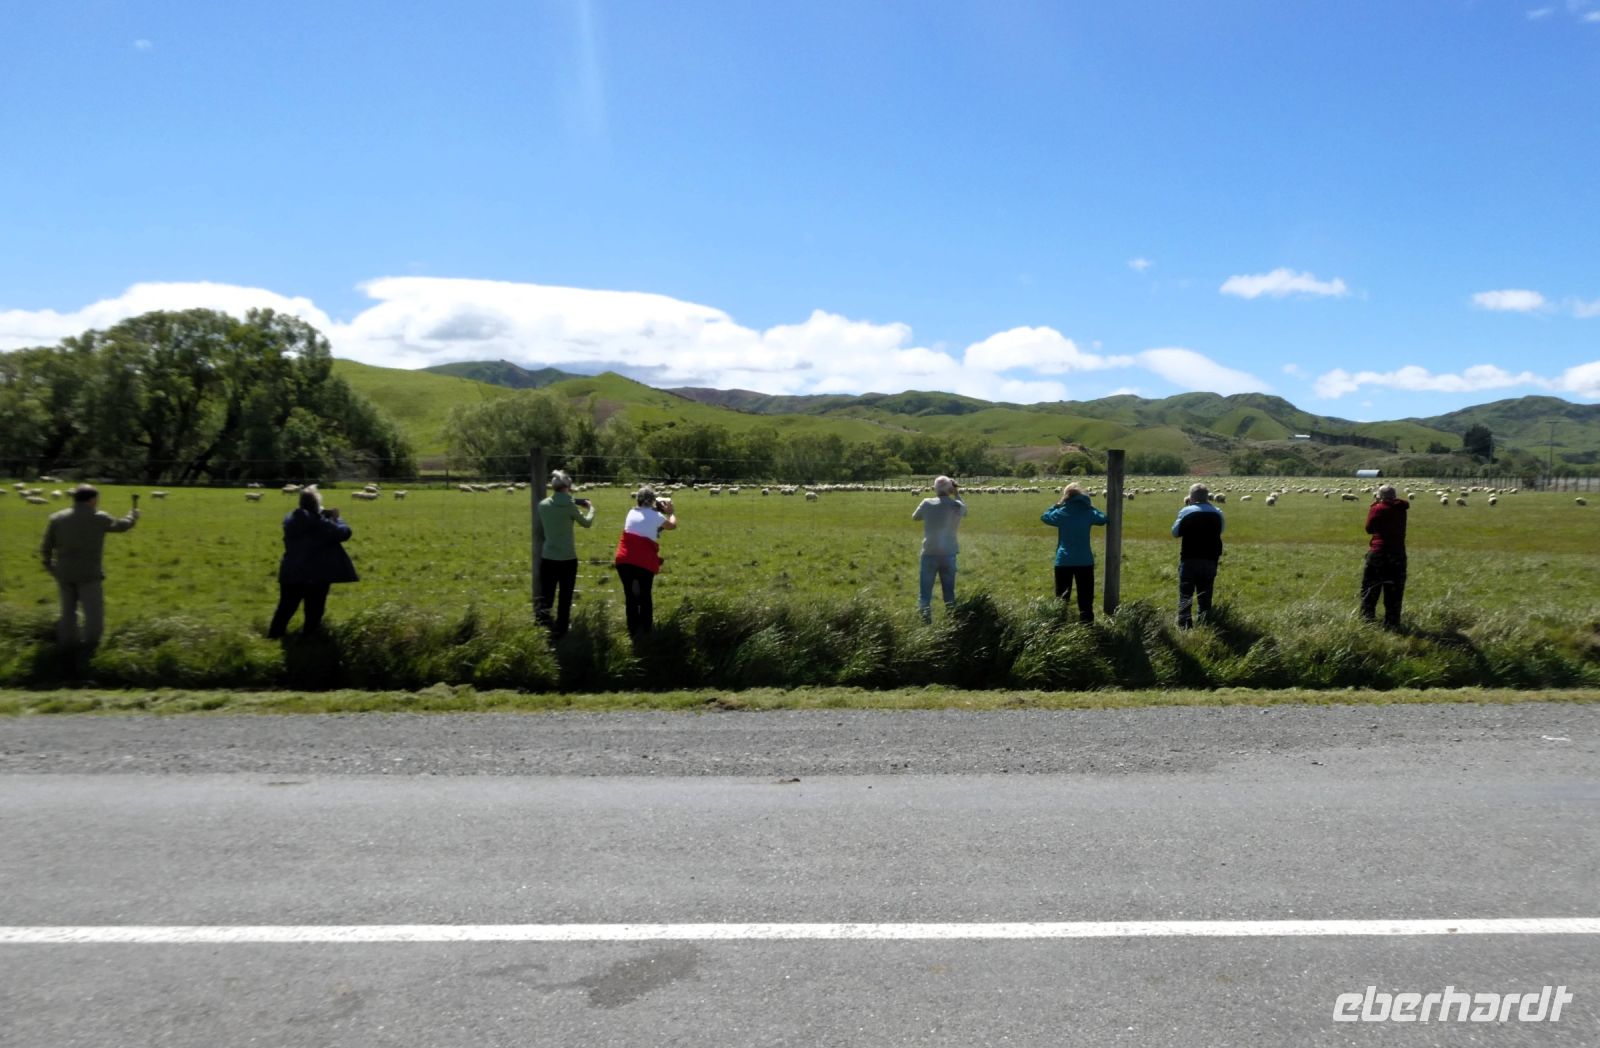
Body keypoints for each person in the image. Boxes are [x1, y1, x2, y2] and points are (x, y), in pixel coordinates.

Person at [41, 484, 139, 666]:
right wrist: (133, 516)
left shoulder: (57, 518)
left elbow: (46, 546)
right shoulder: (98, 518)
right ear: (92, 500)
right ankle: (89, 651)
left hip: (64, 573)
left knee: (67, 613)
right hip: (89, 574)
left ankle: (66, 650)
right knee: (94, 614)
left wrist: (50, 566)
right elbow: (121, 526)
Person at [267, 486, 358, 638]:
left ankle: (274, 636)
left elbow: (305, 518)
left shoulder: (290, 520)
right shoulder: (321, 524)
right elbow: (344, 533)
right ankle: (309, 638)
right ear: (317, 505)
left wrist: (319, 513)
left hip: (292, 571)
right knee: (314, 609)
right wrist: (337, 519)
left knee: (285, 607)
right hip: (317, 574)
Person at [535, 470, 596, 639]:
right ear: (568, 487)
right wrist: (591, 508)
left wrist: (572, 500)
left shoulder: (543, 505)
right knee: (565, 595)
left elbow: (556, 502)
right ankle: (561, 629)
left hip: (548, 557)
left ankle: (543, 625)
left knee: (547, 594)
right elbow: (586, 523)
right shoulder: (570, 506)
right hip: (568, 558)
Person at [613, 486, 676, 637]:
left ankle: (632, 630)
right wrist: (671, 512)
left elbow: (643, 523)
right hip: (643, 561)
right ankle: (646, 630)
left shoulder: (631, 512)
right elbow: (672, 525)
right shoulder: (656, 517)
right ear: (652, 501)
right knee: (645, 595)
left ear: (638, 500)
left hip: (624, 559)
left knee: (631, 596)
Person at [1041, 483, 1107, 623]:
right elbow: (1103, 518)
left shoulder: (1061, 512)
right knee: (1085, 598)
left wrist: (1057, 505)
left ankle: (1060, 626)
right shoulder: (1088, 512)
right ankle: (1087, 627)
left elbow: (1045, 517)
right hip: (1084, 561)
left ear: (1066, 497)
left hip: (1063, 560)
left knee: (1062, 598)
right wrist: (1090, 507)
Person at [911, 475, 967, 622]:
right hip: (949, 553)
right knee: (949, 593)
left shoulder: (926, 503)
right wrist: (956, 493)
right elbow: (965, 511)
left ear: (935, 488)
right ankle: (951, 622)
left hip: (929, 552)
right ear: (949, 489)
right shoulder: (957, 505)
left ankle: (925, 624)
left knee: (925, 594)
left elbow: (915, 517)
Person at [1171, 482, 1224, 628]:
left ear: (1191, 497)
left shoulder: (1186, 512)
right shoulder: (1217, 513)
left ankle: (1184, 627)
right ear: (1207, 497)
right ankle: (1205, 625)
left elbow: (1175, 532)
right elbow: (1221, 530)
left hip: (1189, 558)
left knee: (1185, 596)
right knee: (1205, 595)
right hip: (1210, 559)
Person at [1360, 484, 1409, 629]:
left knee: (1371, 588)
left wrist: (1375, 505)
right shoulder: (1401, 508)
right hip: (1398, 554)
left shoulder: (1378, 508)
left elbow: (1369, 528)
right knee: (1394, 589)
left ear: (1380, 496)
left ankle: (1367, 621)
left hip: (1379, 552)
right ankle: (1392, 623)